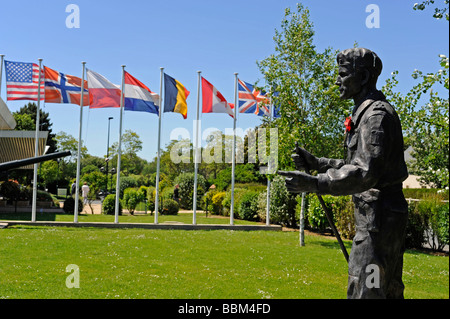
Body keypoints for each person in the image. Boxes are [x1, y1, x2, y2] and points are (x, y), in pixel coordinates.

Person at [278, 48, 409, 299]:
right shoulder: (364, 113)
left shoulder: (376, 117)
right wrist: (318, 163)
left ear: (363, 78)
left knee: (366, 291)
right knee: (383, 290)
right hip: (377, 221)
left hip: (378, 224)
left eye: (342, 74)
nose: (337, 80)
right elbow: (356, 162)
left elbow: (365, 173)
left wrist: (316, 183)